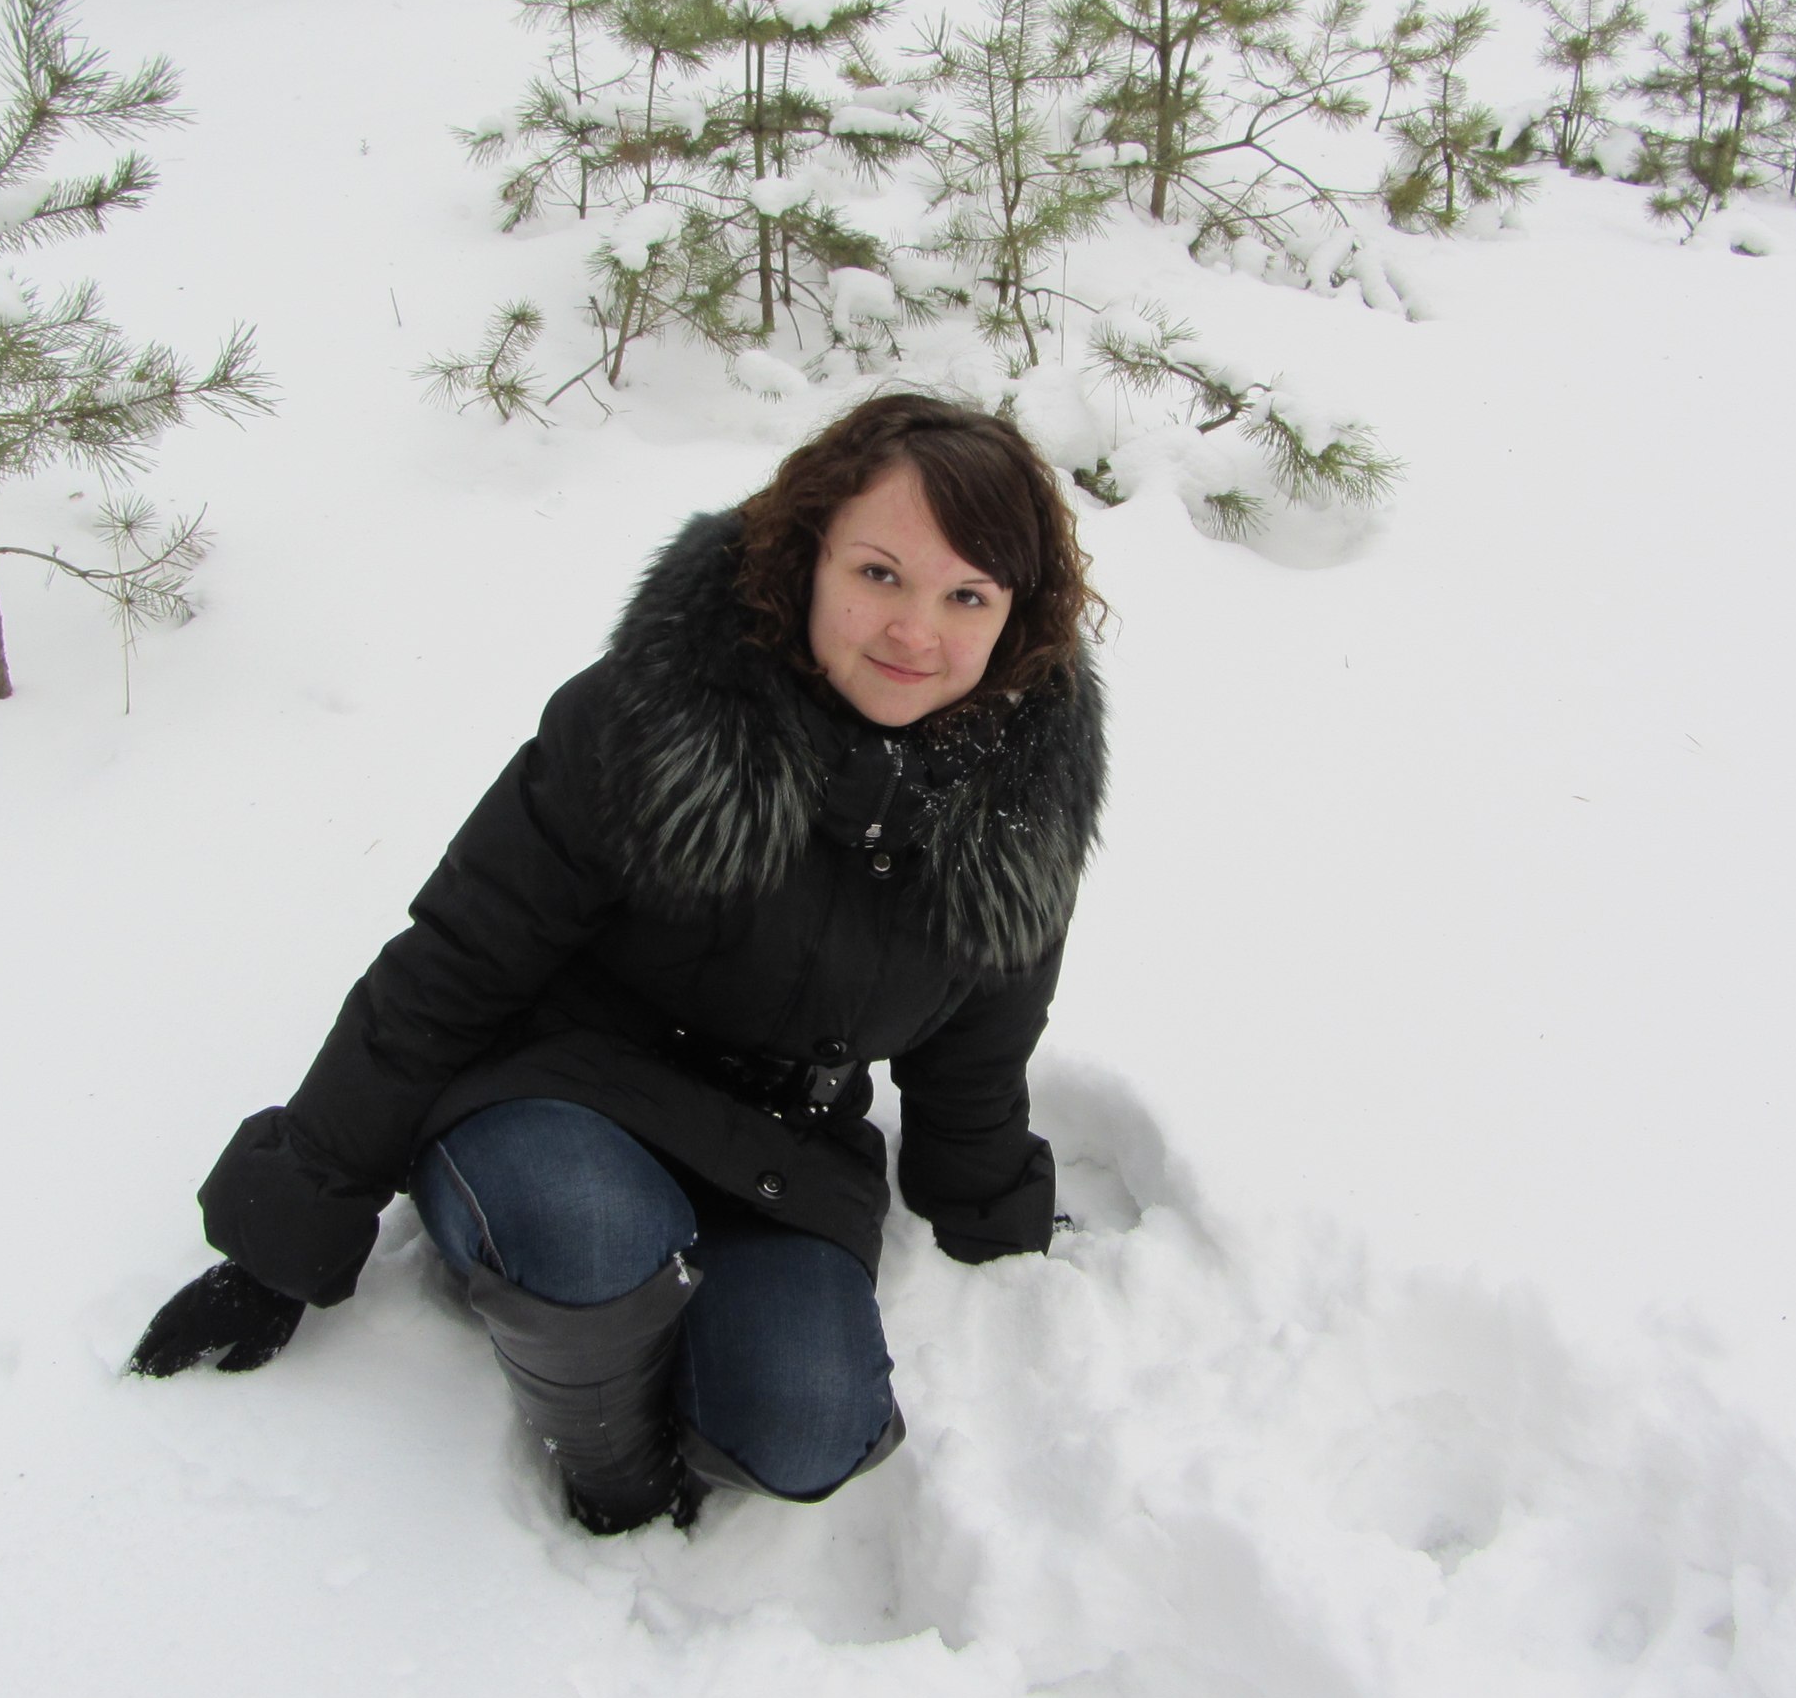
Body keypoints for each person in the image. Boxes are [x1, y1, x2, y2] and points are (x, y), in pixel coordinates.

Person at [128, 393, 1108, 1533]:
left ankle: (659, 1338)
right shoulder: (656, 715)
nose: (914, 632)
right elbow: (454, 963)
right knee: (586, 1227)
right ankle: (609, 1466)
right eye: (878, 574)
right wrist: (282, 1244)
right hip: (559, 1094)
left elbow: (975, 1063)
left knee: (809, 1428)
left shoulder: (1020, 806)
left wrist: (999, 1222)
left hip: (779, 1151)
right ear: (806, 556)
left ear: (1017, 616)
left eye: (966, 596)